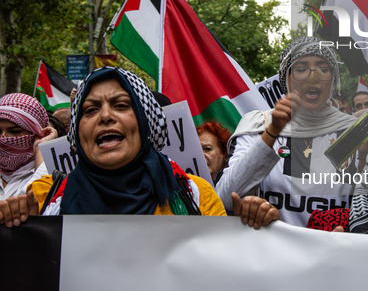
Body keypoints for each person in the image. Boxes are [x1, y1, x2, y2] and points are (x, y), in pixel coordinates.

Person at [0, 67, 277, 229]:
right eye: (91, 109)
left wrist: (249, 230)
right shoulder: (42, 198)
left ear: (146, 124)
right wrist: (17, 228)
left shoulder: (196, 196)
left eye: (121, 105)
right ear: (77, 131)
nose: (105, 116)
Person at [216, 37, 358, 226]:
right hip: (271, 252)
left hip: (334, 252)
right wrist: (273, 131)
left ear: (333, 80)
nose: (312, 77)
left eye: (323, 69)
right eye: (301, 69)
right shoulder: (258, 124)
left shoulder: (354, 133)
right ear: (286, 77)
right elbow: (227, 197)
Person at [0, 93, 57, 200]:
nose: (3, 138)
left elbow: (39, 202)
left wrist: (42, 148)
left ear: (37, 133)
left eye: (14, 131)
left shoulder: (53, 172)